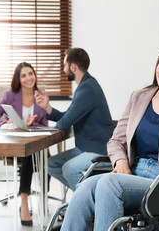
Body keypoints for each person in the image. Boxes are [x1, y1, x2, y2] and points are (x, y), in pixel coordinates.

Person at [60, 40, 159, 231]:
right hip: (132, 173)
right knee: (84, 189)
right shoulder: (140, 97)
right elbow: (116, 141)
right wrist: (121, 162)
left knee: (108, 183)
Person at [34, 48, 116, 191]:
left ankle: (87, 203)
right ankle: (85, 196)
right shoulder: (85, 85)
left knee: (69, 169)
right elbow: (68, 116)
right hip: (87, 147)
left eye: (65, 65)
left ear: (73, 67)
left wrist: (55, 127)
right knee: (51, 164)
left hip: (99, 149)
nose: (63, 69)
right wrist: (47, 108)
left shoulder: (87, 88)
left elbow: (65, 123)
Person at [0, 62, 47, 226]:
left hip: (34, 145)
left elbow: (44, 124)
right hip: (14, 146)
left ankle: (43, 199)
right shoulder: (9, 95)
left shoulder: (41, 96)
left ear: (35, 75)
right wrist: (6, 123)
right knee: (30, 154)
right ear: (18, 78)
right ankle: (24, 200)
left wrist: (32, 125)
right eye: (23, 75)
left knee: (43, 158)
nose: (28, 78)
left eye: (30, 73)